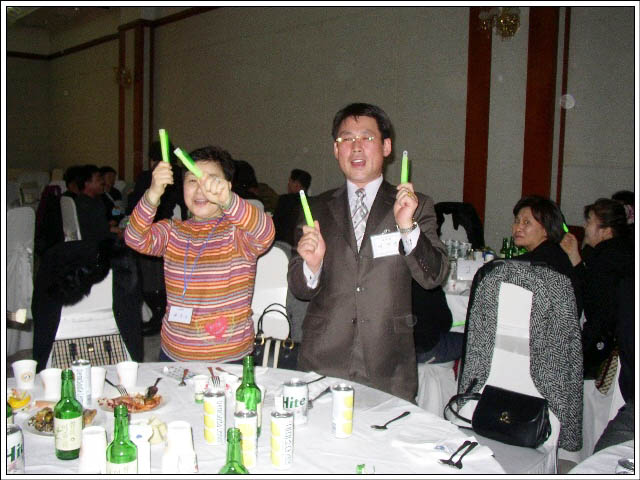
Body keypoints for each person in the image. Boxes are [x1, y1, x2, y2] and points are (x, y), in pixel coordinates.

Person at [287, 103, 448, 402]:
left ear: (387, 147)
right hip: (323, 360)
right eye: (346, 139)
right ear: (336, 150)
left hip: (388, 363)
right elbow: (299, 289)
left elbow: (433, 276)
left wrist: (407, 227)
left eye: (367, 137)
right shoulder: (316, 207)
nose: (356, 147)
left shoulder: (415, 205)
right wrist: (312, 266)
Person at [124, 145, 275, 362]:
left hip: (229, 358)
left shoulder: (237, 233)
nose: (201, 189)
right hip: (173, 354)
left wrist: (229, 200)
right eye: (192, 181)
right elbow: (134, 237)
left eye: (210, 180)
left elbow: (265, 231)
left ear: (227, 186)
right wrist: (153, 193)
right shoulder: (173, 231)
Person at [560, 198, 634, 379]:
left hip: (608, 347)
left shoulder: (606, 258)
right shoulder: (622, 252)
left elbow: (594, 301)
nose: (585, 227)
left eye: (589, 222)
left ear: (606, 231)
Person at [127, 141, 186, 336]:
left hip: (155, 227)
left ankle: (156, 312)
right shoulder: (181, 175)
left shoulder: (150, 176)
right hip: (178, 227)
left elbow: (133, 206)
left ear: (152, 159)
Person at [511, 195, 582, 315]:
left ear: (546, 229)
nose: (518, 227)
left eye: (526, 222)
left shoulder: (539, 261)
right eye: (517, 221)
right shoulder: (555, 252)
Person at [75, 164, 123, 244]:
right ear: (87, 183)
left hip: (107, 232)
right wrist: (119, 235)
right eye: (98, 179)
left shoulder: (113, 194)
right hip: (95, 244)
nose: (102, 182)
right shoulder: (85, 204)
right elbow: (99, 233)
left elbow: (103, 225)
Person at [273, 168, 312, 246]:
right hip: (302, 244)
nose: (288, 185)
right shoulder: (311, 202)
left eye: (290, 182)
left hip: (283, 243)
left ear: (297, 184)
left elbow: (275, 225)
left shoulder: (285, 200)